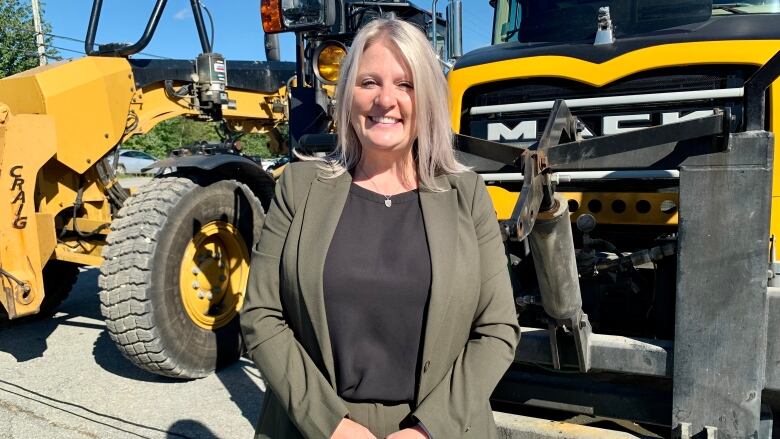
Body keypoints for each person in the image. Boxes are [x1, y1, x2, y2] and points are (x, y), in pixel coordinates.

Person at [240, 17, 520, 439]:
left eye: (405, 85)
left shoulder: (467, 195)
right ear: (347, 94)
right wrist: (331, 425)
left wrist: (428, 430)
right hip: (312, 428)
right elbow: (261, 315)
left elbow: (497, 328)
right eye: (369, 82)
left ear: (426, 98)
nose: (385, 100)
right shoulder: (299, 189)